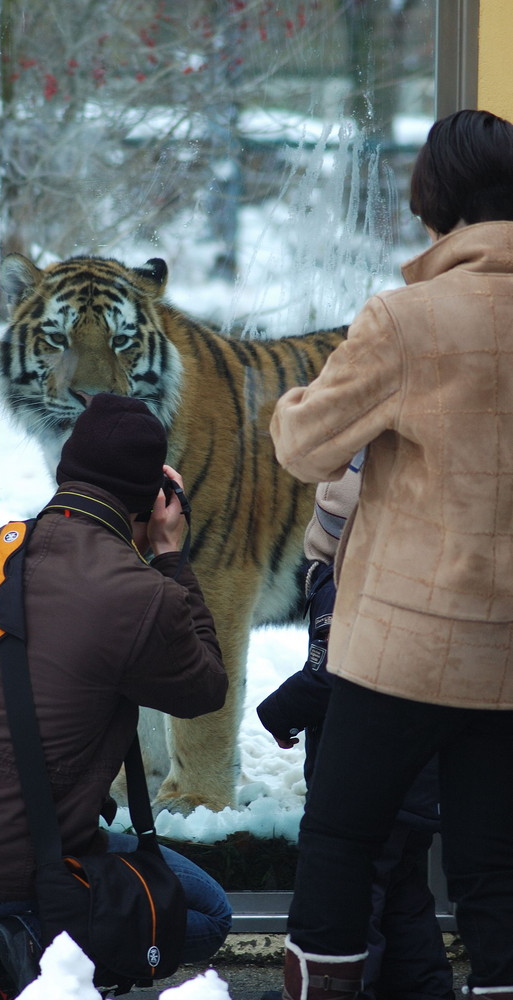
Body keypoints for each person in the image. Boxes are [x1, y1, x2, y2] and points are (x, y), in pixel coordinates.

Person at [266, 108, 513, 1000]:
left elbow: (303, 448)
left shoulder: (406, 320)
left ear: (432, 202)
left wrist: (302, 397)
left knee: (341, 841)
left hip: (402, 653)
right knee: (494, 872)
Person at [0, 393, 232, 999]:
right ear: (155, 502)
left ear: (66, 473)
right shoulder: (142, 597)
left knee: (5, 824)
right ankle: (19, 944)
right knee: (205, 915)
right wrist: (170, 556)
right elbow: (204, 688)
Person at [257, 469, 453, 1000]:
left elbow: (329, 673)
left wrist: (278, 712)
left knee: (357, 907)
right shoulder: (415, 572)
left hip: (367, 779)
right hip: (419, 776)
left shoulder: (341, 578)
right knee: (405, 899)